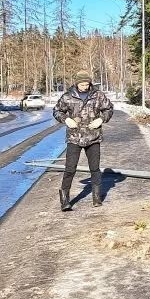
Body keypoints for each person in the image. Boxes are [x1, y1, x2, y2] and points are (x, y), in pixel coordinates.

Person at [53, 71, 114, 210]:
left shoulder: (98, 95)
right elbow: (57, 111)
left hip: (93, 137)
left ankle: (97, 198)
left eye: (87, 84)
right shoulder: (68, 97)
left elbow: (108, 109)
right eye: (82, 84)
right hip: (74, 137)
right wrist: (66, 119)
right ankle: (65, 200)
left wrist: (101, 119)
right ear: (76, 83)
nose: (85, 86)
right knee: (70, 168)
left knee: (95, 169)